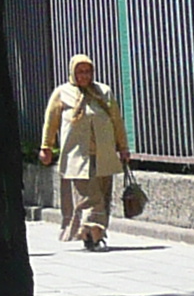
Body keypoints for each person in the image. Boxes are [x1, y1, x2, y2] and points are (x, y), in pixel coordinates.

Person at [37, 52, 129, 250]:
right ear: (72, 72)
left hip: (104, 155)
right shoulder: (62, 93)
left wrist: (123, 147)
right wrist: (46, 147)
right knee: (89, 198)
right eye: (80, 72)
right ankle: (93, 234)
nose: (84, 76)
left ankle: (93, 233)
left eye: (88, 71)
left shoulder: (104, 92)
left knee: (103, 197)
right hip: (77, 157)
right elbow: (50, 122)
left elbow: (117, 121)